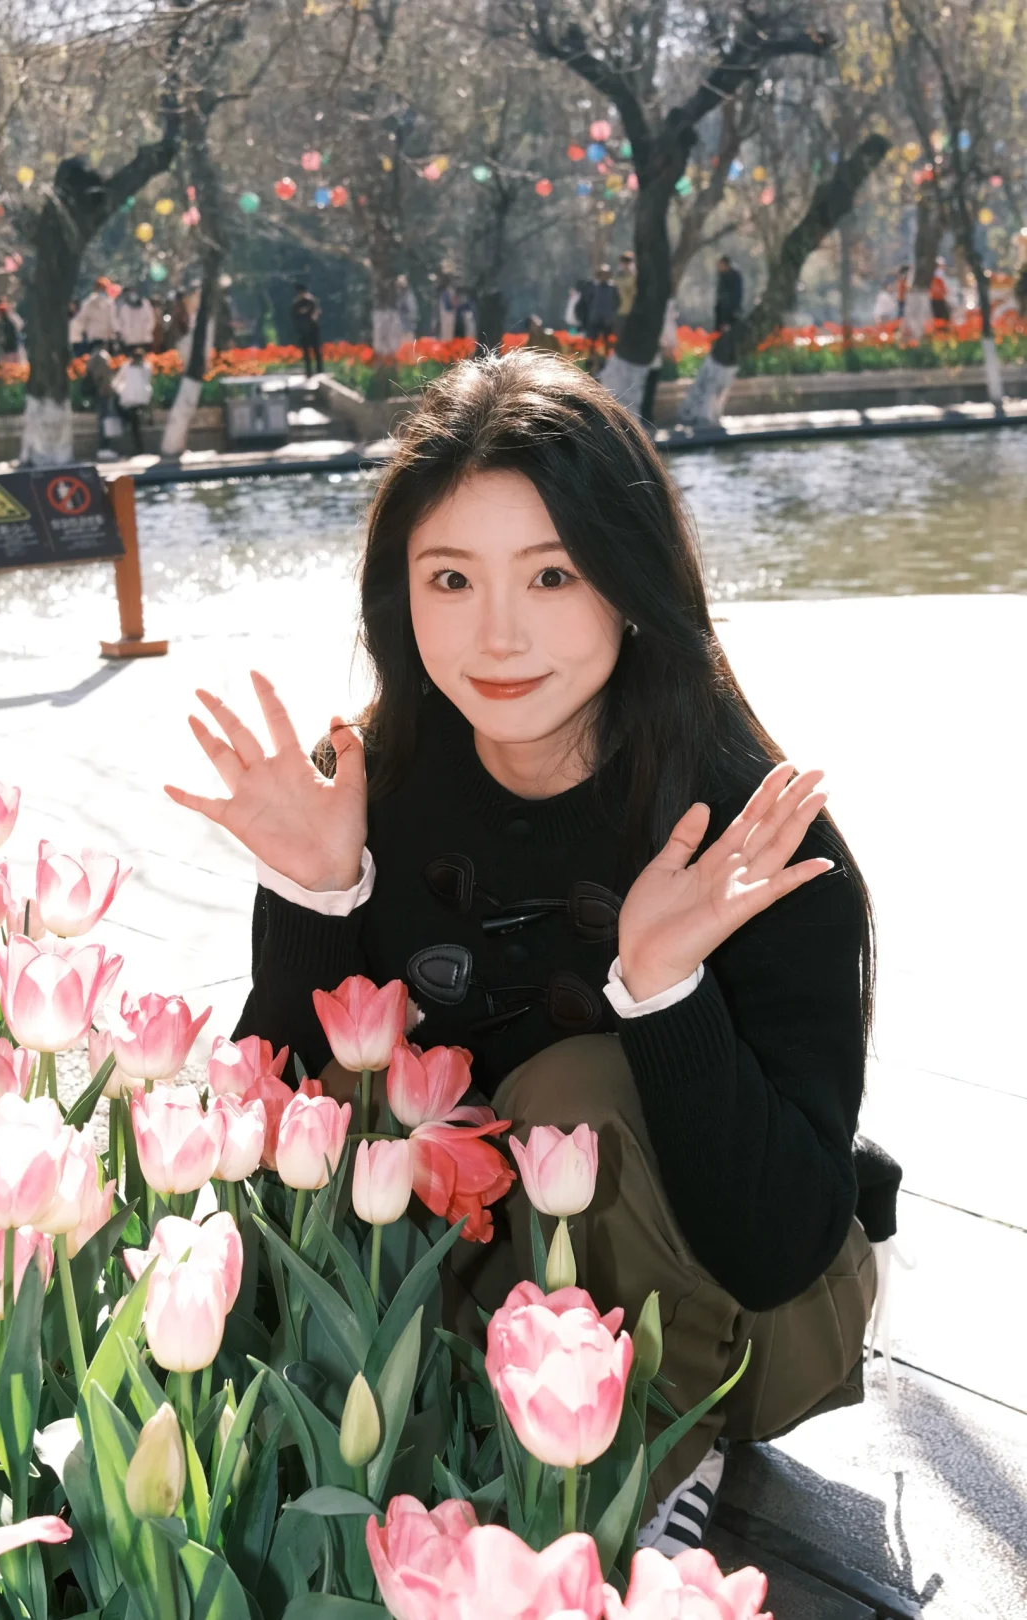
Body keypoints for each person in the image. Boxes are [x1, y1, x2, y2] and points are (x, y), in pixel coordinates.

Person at [167, 349, 883, 1563]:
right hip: (475, 1288)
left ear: (631, 581)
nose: (498, 633)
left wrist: (666, 994)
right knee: (365, 1071)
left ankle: (661, 1452)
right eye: (451, 578)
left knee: (575, 1089)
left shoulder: (747, 836)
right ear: (401, 598)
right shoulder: (369, 787)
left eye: (553, 574)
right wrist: (317, 895)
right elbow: (278, 1127)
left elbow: (777, 1244)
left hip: (743, 1309)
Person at [111, 347, 153, 455]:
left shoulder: (140, 367)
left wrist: (119, 390)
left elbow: (116, 381)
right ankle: (139, 448)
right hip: (136, 399)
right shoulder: (144, 367)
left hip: (134, 400)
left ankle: (139, 448)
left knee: (135, 425)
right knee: (135, 424)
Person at [83, 344, 121, 460]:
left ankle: (104, 448)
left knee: (103, 420)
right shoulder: (103, 357)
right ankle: (104, 448)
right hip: (104, 393)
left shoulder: (92, 357)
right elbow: (104, 377)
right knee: (105, 421)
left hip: (99, 393)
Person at [582, 263, 620, 363]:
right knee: (592, 341)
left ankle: (607, 360)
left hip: (607, 320)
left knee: (608, 342)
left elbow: (617, 303)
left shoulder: (613, 288)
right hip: (594, 319)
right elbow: (587, 302)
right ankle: (591, 360)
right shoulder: (593, 287)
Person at [291, 284, 324, 375]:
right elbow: (294, 316)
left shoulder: (311, 301)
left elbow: (317, 312)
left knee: (316, 349)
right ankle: (308, 371)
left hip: (313, 329)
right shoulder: (296, 304)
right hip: (303, 330)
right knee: (306, 351)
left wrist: (313, 316)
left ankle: (319, 369)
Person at [78, 277, 117, 351]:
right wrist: (114, 333)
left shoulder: (88, 302)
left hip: (92, 335)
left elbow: (83, 318)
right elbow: (112, 319)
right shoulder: (109, 302)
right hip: (105, 336)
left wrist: (84, 330)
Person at [116, 285, 156, 351]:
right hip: (130, 341)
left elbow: (151, 320)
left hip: (144, 339)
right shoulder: (124, 307)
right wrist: (126, 334)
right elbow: (121, 322)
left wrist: (147, 331)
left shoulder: (145, 304)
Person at [0, 299, 25, 364]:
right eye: (0, 311)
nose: (1, 313)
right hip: (2, 350)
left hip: (13, 348)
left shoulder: (12, 318)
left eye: (3, 311)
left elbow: (20, 325)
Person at [713, 256, 743, 332]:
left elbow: (737, 293)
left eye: (721, 265)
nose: (719, 267)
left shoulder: (734, 275)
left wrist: (735, 309)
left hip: (732, 310)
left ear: (726, 264)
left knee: (731, 330)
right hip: (721, 309)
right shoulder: (721, 275)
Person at [395, 275, 418, 345]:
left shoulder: (409, 295)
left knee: (409, 343)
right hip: (399, 326)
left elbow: (412, 310)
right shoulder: (398, 295)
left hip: (408, 326)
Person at [615, 250, 637, 321]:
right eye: (623, 261)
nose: (626, 264)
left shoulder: (635, 277)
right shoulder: (617, 277)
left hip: (633, 312)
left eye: (628, 261)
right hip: (619, 312)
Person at [930, 258, 950, 323]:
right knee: (942, 315)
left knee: (938, 315)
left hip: (936, 297)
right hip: (938, 297)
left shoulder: (936, 274)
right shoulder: (938, 274)